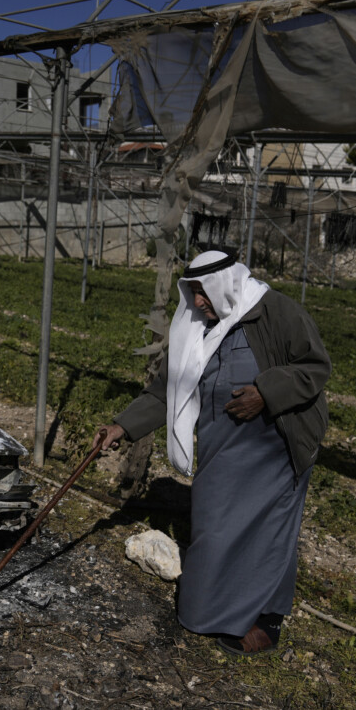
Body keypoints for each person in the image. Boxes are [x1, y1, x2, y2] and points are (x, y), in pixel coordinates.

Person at [91, 249, 330, 655]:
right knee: (215, 526)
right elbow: (165, 391)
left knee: (269, 532)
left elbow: (314, 367)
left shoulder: (275, 311)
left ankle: (266, 620)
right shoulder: (193, 328)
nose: (197, 301)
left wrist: (265, 392)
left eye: (203, 291)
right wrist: (121, 426)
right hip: (224, 446)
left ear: (226, 284)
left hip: (274, 445)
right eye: (192, 291)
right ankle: (211, 609)